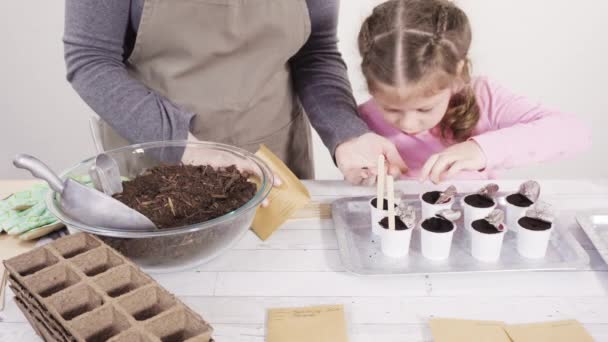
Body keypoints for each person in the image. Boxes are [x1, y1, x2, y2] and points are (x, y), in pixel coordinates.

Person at [63, 0, 407, 186]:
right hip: (157, 163)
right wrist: (184, 146)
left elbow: (314, 52)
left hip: (273, 156)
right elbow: (91, 61)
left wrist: (347, 134)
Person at [357, 0, 591, 184]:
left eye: (425, 108)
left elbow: (575, 132)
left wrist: (482, 150)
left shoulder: (485, 98)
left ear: (457, 76)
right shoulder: (359, 122)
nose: (408, 123)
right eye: (391, 108)